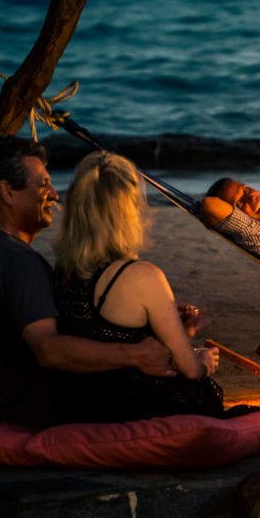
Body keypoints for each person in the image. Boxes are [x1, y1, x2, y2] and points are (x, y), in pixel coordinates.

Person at [0, 137, 175, 428]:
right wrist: (137, 355)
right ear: (7, 191)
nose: (55, 195)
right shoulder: (18, 261)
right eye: (43, 184)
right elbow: (49, 349)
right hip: (27, 410)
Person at [52, 151, 227, 423]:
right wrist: (202, 361)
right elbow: (189, 370)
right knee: (203, 391)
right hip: (126, 410)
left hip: (75, 404)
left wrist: (178, 331)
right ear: (127, 214)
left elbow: (99, 337)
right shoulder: (143, 276)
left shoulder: (62, 272)